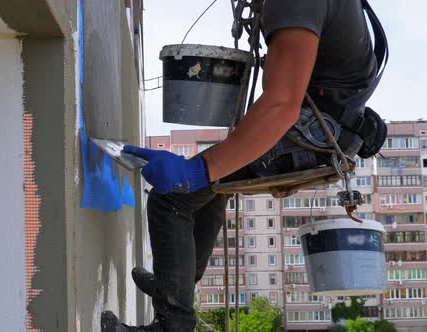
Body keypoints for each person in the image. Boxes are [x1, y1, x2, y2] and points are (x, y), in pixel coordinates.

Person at [102, 0, 386, 330]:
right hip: (327, 132)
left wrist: (196, 171)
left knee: (173, 195)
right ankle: (174, 284)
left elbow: (281, 105)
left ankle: (173, 323)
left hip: (313, 137)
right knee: (213, 188)